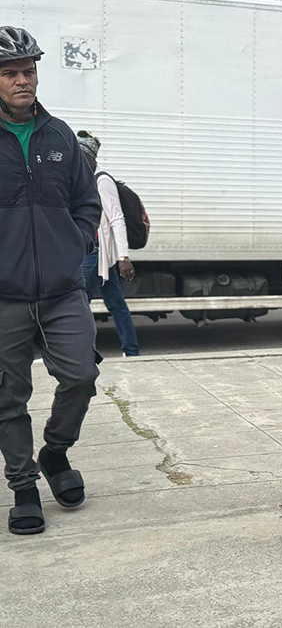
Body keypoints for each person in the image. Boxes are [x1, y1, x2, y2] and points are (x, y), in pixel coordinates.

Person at [0, 26, 102, 535]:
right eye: (11, 73)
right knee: (7, 396)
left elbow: (87, 201)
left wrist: (76, 242)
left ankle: (55, 452)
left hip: (63, 290)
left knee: (82, 377)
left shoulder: (60, 134)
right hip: (5, 297)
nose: (23, 80)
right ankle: (23, 486)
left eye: (29, 71)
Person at [77, 131, 140, 357]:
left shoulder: (102, 181)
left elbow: (116, 218)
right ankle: (131, 351)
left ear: (91, 158)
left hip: (97, 252)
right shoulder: (82, 180)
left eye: (80, 156)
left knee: (77, 303)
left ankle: (80, 354)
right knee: (116, 304)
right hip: (94, 252)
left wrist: (123, 256)